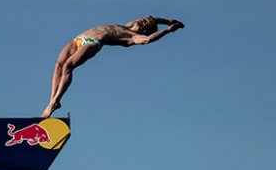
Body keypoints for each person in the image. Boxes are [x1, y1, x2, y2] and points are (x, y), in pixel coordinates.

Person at [42, 16, 185, 118]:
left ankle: (55, 101)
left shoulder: (133, 36)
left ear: (145, 29)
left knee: (68, 65)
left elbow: (147, 40)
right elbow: (152, 18)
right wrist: (167, 21)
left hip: (93, 42)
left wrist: (168, 30)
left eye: (145, 22)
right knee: (58, 65)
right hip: (79, 38)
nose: (142, 20)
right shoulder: (129, 25)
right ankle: (51, 101)